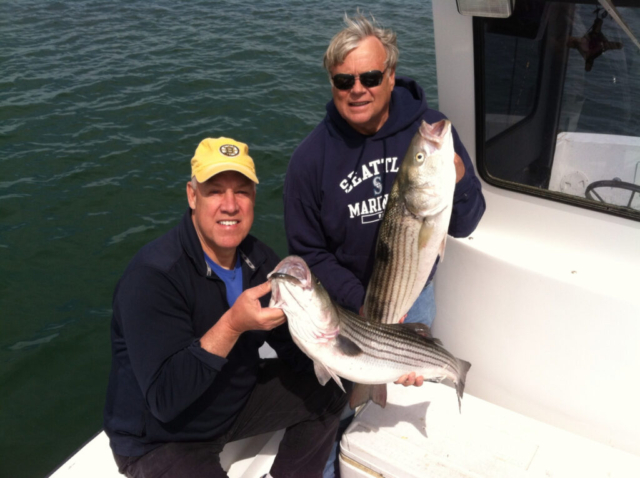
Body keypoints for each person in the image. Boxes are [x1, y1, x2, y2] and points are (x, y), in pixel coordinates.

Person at [283, 13, 486, 477]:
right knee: (329, 414)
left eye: (371, 76)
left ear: (391, 76)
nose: (358, 88)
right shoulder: (309, 160)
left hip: (414, 297)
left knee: (391, 402)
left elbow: (466, 223)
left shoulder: (430, 137)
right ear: (332, 82)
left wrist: (461, 182)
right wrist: (367, 317)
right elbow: (308, 252)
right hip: (341, 306)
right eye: (344, 79)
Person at [103, 137, 350, 478]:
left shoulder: (260, 261)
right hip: (163, 438)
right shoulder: (152, 277)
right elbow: (165, 400)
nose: (230, 205)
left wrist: (363, 362)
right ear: (192, 195)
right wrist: (232, 325)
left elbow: (293, 352)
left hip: (233, 403)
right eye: (215, 190)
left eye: (242, 191)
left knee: (332, 391)